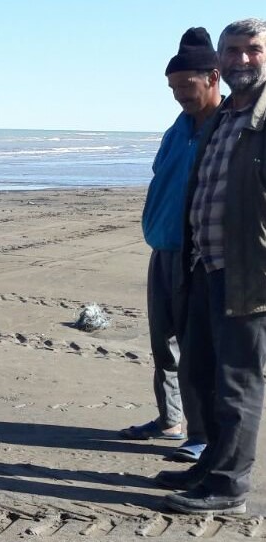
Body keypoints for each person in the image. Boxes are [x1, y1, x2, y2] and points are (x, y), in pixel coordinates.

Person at [159, 18, 266, 515]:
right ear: (220, 59)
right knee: (201, 372)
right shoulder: (225, 118)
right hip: (205, 265)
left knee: (239, 383)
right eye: (234, 50)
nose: (243, 59)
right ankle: (208, 469)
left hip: (249, 274)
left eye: (254, 50)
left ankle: (229, 489)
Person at [118, 28, 221, 463]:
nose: (179, 95)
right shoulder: (176, 130)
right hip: (162, 249)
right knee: (165, 342)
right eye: (173, 88)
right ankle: (170, 419)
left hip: (200, 252)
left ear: (213, 77)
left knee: (199, 347)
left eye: (187, 86)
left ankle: (201, 434)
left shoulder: (228, 127)